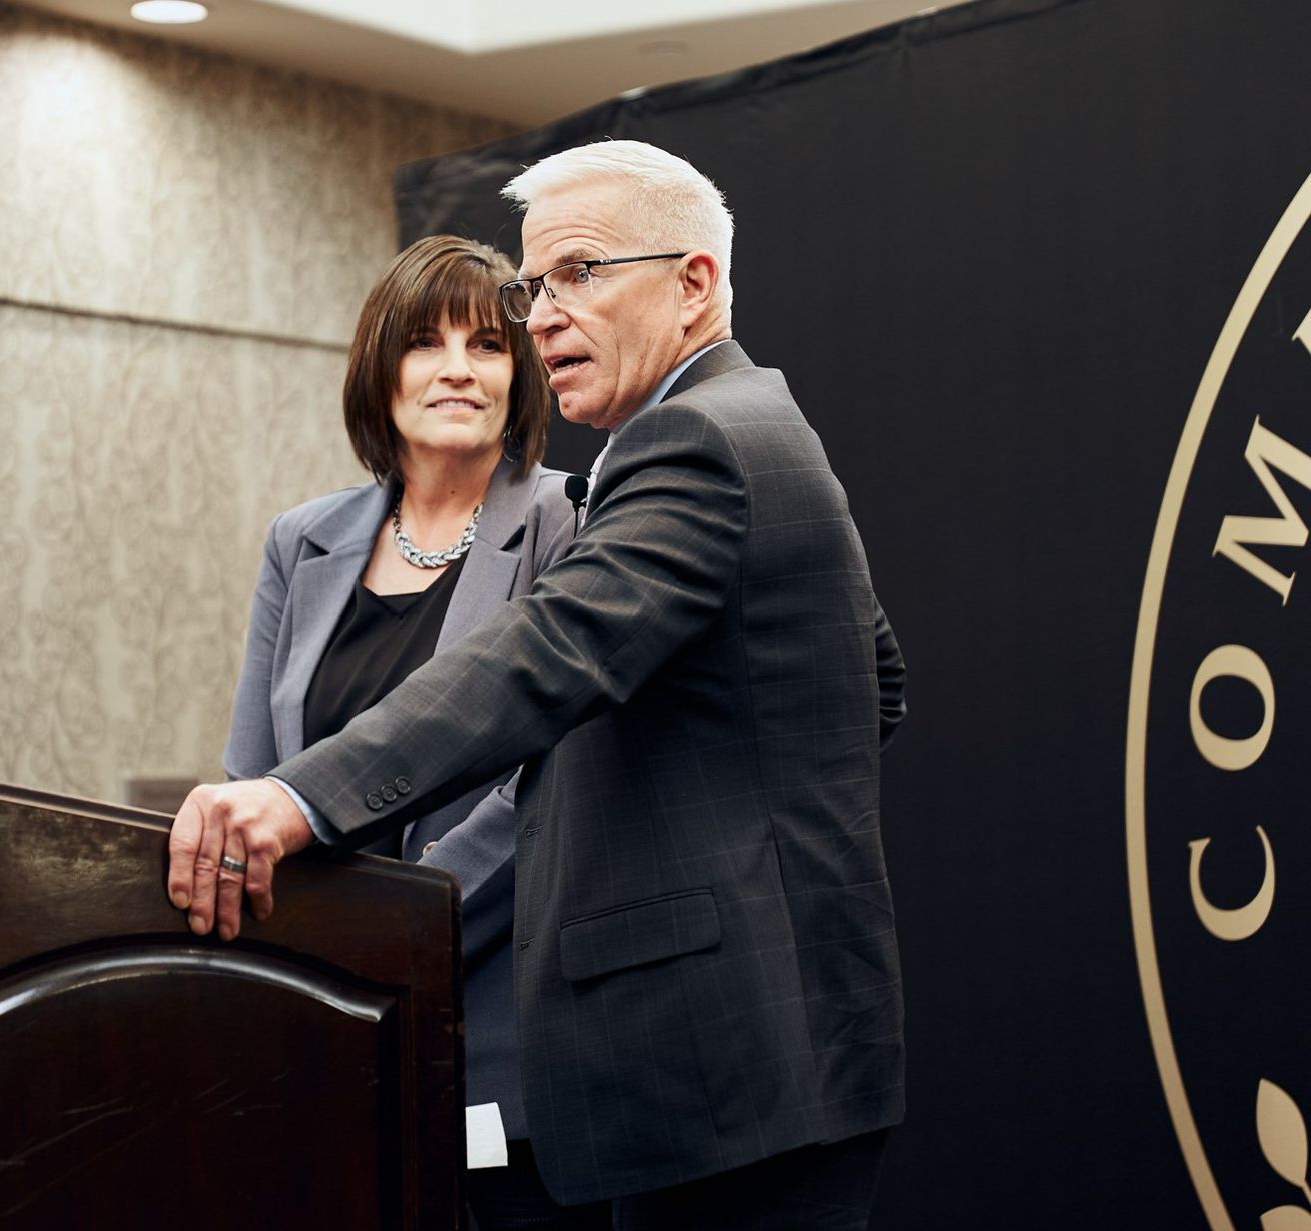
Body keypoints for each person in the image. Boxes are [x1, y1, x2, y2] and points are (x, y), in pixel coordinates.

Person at [168, 140, 907, 1228]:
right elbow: (871, 682)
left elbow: (549, 651)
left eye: (579, 274)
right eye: (535, 283)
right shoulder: (743, 422)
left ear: (694, 282)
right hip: (759, 1047)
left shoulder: (698, 439)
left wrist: (298, 799)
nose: (543, 312)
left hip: (734, 1049)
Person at [221, 233, 581, 1228]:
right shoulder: (304, 540)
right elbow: (257, 768)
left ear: (526, 379)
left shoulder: (568, 525)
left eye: (489, 346)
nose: (457, 369)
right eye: (426, 342)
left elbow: (547, 788)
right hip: (323, 1013)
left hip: (496, 1016)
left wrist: (395, 924)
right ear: (381, 368)